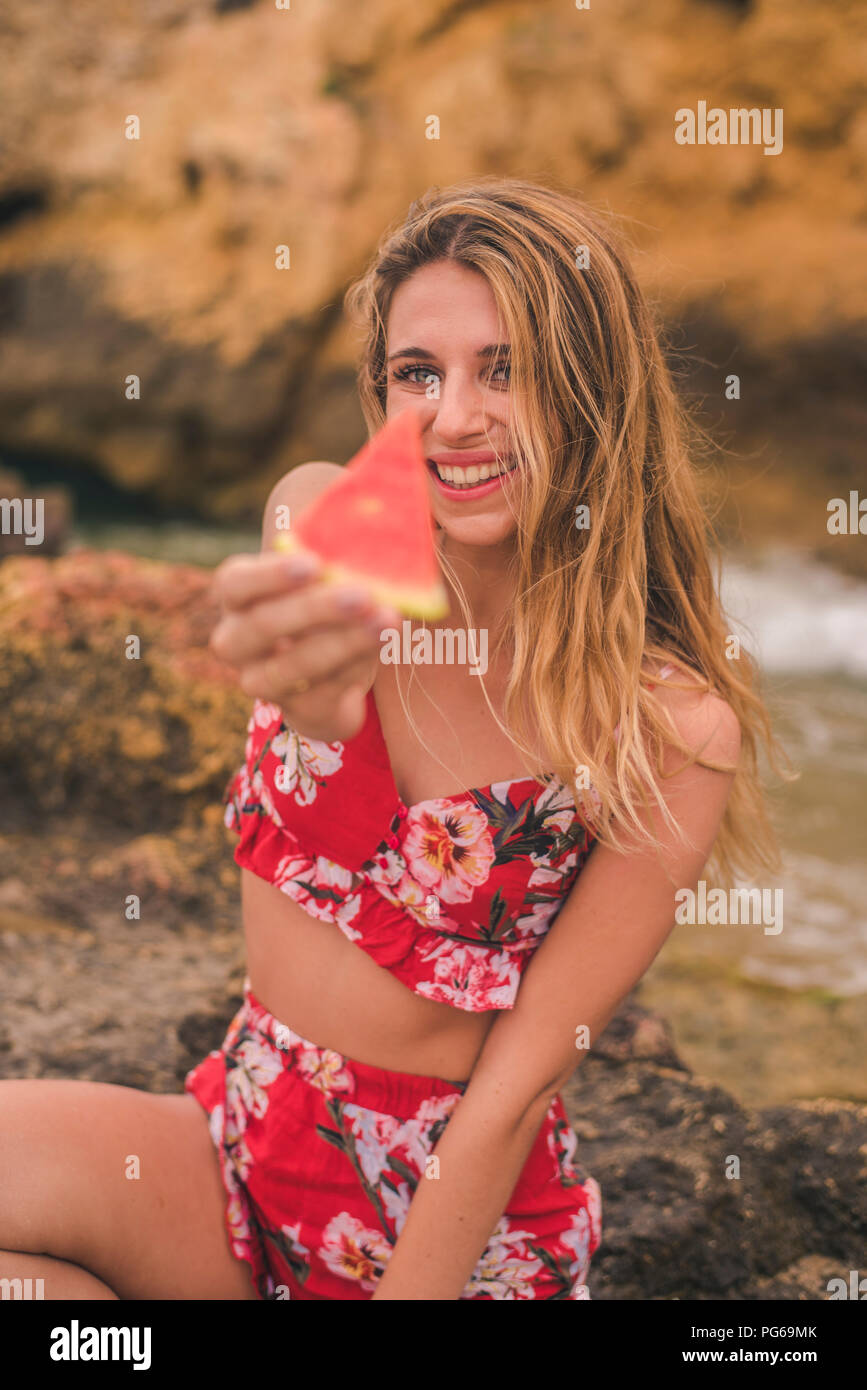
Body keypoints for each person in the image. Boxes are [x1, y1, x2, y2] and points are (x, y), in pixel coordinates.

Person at [0, 177, 784, 1300]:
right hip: (237, 1148)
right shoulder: (329, 523)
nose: (455, 415)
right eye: (419, 373)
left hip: (449, 1232)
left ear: (590, 393)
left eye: (503, 368)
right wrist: (310, 682)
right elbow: (306, 584)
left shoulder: (670, 728)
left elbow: (512, 1095)